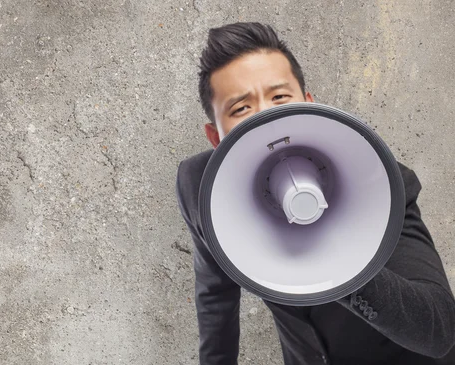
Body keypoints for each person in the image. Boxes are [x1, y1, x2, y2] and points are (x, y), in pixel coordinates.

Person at [175, 22, 455, 365]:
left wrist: (336, 264)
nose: (267, 118)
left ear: (309, 104)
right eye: (241, 109)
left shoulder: (380, 180)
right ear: (215, 137)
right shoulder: (200, 184)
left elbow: (439, 331)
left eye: (279, 97)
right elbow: (215, 300)